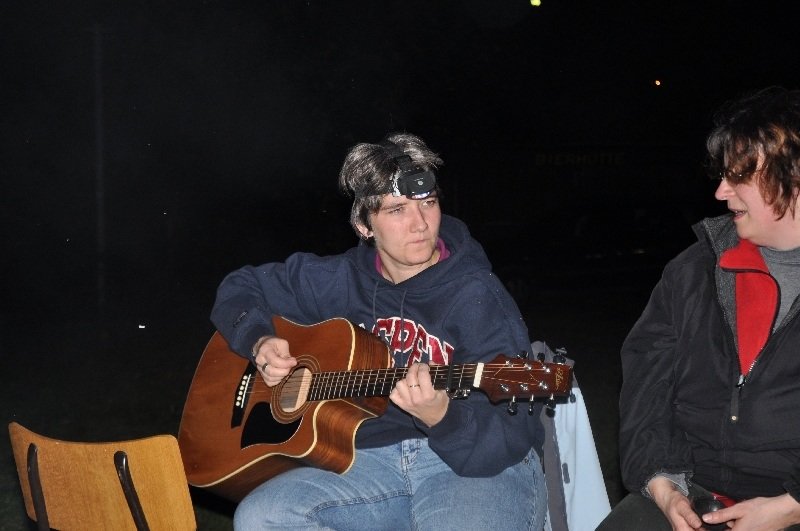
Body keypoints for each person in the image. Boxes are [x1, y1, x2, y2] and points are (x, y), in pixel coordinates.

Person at [210, 132, 548, 530]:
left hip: (472, 465)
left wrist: (443, 416)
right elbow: (240, 287)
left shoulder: (478, 295)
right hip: (363, 461)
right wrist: (258, 339)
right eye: (397, 210)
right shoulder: (339, 279)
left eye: (429, 203)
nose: (420, 224)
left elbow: (514, 430)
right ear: (363, 225)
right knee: (262, 517)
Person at [598, 86, 800, 531]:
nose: (721, 191)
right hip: (694, 489)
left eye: (739, 176)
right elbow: (648, 387)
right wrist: (663, 484)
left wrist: (792, 506)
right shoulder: (693, 271)